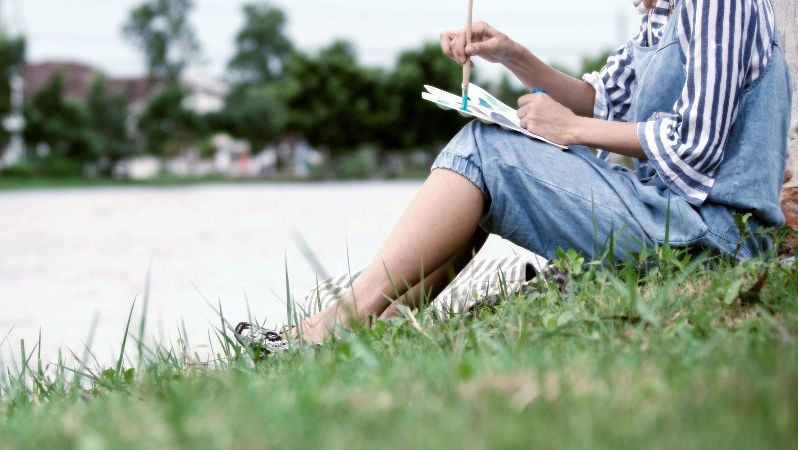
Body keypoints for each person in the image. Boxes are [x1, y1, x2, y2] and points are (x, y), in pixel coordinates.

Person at [238, 0, 792, 351]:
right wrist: (511, 55)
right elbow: (603, 99)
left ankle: (335, 325)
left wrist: (570, 129)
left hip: (713, 236)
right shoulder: (660, 13)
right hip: (666, 216)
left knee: (486, 151)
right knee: (484, 154)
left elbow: (695, 146)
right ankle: (360, 328)